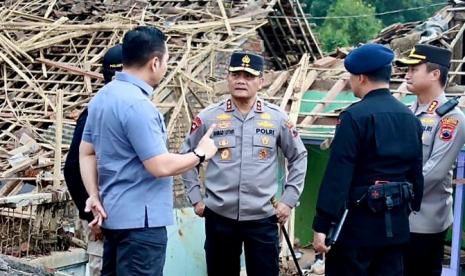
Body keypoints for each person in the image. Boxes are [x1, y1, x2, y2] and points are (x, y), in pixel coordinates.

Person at [79, 26, 217, 276]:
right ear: (155, 62)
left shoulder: (102, 97)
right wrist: (200, 154)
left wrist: (94, 195)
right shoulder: (138, 106)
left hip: (114, 219)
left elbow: (86, 152)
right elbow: (159, 166)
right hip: (141, 228)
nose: (165, 66)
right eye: (166, 61)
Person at [181, 51, 308, 276]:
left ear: (261, 81)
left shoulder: (277, 118)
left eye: (248, 76)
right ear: (228, 78)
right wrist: (196, 198)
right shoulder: (209, 117)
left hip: (262, 218)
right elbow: (187, 156)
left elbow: (299, 157)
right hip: (219, 217)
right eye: (235, 74)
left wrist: (288, 200)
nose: (241, 80)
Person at [312, 43, 424, 276]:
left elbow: (338, 175)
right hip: (396, 227)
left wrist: (322, 224)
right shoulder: (410, 118)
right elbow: (416, 173)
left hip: (357, 228)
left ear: (361, 78)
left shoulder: (354, 117)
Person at [397, 44, 465, 276]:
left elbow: (434, 171)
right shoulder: (406, 111)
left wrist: (395, 194)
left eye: (414, 68)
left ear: (435, 74)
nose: (407, 74)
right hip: (395, 217)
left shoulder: (451, 118)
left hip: (423, 222)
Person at [64, 44, 123, 276]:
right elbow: (71, 168)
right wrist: (92, 215)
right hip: (101, 219)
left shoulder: (112, 108)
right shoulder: (97, 112)